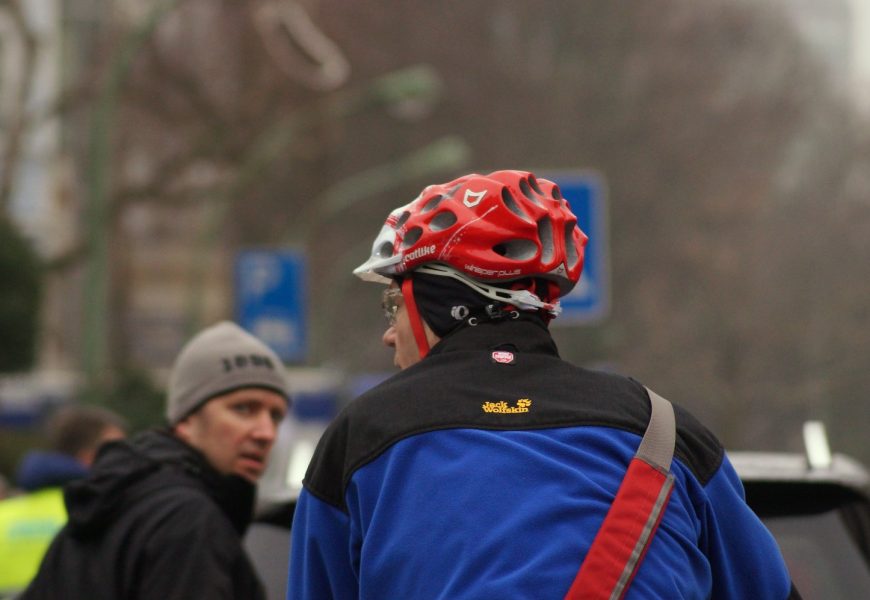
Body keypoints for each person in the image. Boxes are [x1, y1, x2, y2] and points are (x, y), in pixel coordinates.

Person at [287, 170, 800, 599]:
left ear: (438, 301)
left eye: (394, 305)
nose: (387, 333)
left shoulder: (362, 439)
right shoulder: (665, 433)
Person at [21, 321, 290, 600]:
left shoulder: (119, 499)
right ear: (186, 419)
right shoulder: (187, 520)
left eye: (276, 416)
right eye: (243, 408)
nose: (266, 433)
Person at [0, 404, 126, 596]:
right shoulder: (99, 516)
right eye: (118, 452)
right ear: (88, 457)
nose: (128, 461)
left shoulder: (4, 515)